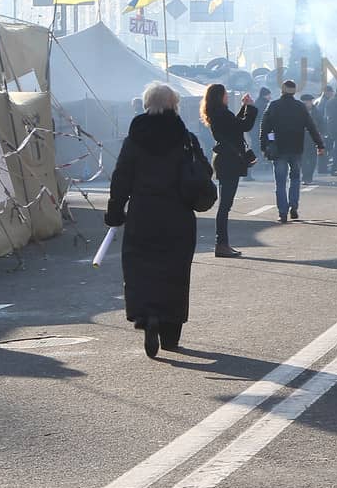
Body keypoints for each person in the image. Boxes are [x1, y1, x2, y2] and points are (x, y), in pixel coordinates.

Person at [106, 83, 208, 357]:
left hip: (143, 215)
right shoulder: (185, 137)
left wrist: (115, 210)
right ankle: (170, 333)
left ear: (145, 104)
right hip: (178, 216)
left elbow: (121, 177)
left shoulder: (134, 138)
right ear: (175, 105)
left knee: (140, 269)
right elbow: (204, 171)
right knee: (175, 273)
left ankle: (146, 315)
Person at [201, 83, 256, 259]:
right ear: (220, 96)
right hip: (229, 162)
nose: (227, 96)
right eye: (225, 94)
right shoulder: (222, 114)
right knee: (225, 206)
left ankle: (222, 243)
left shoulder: (217, 113)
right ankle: (221, 244)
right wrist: (251, 108)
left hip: (224, 160)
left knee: (225, 205)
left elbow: (235, 125)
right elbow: (244, 126)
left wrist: (244, 107)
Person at [259, 80, 326, 222]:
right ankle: (294, 207)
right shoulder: (300, 107)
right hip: (296, 148)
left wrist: (264, 146)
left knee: (280, 182)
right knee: (295, 179)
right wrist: (319, 144)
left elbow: (264, 127)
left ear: (282, 90)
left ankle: (282, 212)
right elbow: (311, 126)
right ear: (294, 92)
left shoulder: (274, 105)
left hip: (278, 149)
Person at [299, 94, 320, 184]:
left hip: (313, 138)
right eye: (308, 102)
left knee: (313, 159)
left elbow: (322, 123)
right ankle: (305, 176)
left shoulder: (316, 111)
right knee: (303, 158)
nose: (309, 103)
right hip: (301, 138)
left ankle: (309, 175)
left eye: (310, 101)